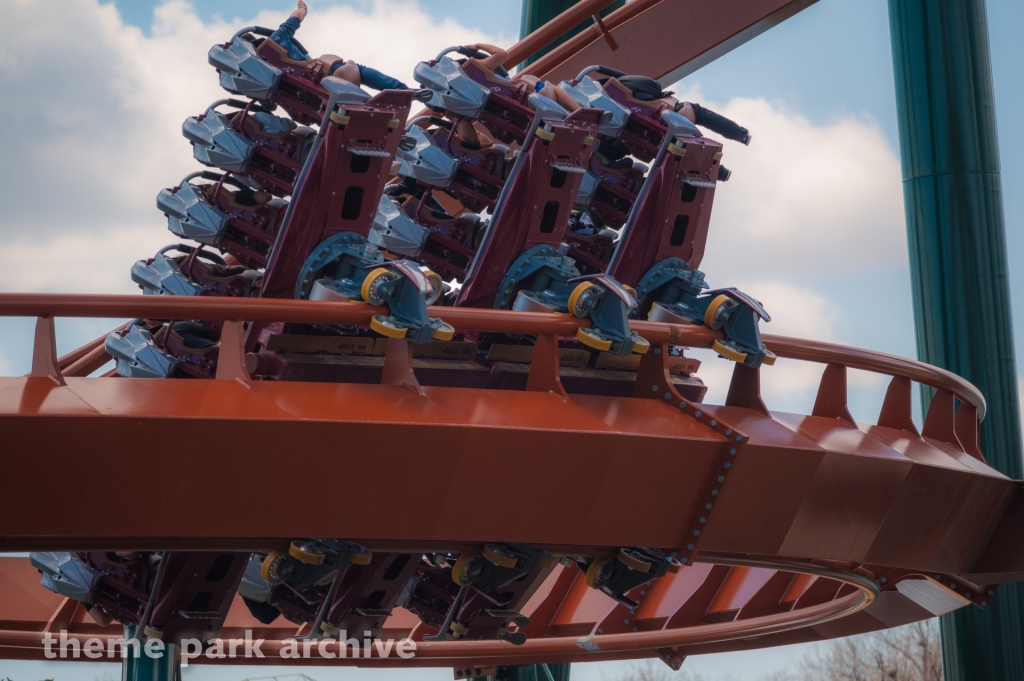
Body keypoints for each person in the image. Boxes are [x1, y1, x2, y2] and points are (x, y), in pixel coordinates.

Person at [269, 1, 410, 91]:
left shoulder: (261, 77)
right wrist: (303, 8)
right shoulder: (277, 38)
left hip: (309, 96)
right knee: (357, 68)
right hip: (323, 74)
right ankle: (400, 89)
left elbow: (269, 106)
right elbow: (297, 16)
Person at [613, 75, 752, 146]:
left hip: (658, 127)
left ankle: (738, 136)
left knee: (689, 114)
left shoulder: (616, 90)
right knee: (692, 113)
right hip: (660, 125)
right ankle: (739, 135)